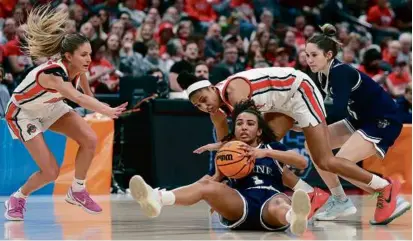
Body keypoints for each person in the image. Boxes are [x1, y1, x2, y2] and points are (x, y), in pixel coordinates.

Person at [177, 59, 406, 224]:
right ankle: (319, 196)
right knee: (264, 151)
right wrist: (220, 172)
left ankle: (383, 187)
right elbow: (229, 143)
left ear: (210, 87)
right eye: (198, 105)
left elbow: (247, 130)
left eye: (204, 99)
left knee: (324, 159)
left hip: (298, 90)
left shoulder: (234, 91)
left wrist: (220, 171)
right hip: (279, 104)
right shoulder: (216, 111)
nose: (204, 106)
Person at [3, 5, 127, 221]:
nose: (89, 59)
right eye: (83, 55)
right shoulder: (52, 73)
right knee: (51, 172)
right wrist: (106, 110)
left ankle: (77, 190)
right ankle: (17, 198)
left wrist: (95, 104)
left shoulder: (78, 68)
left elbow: (86, 94)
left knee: (89, 138)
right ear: (68, 56)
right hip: (23, 113)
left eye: (90, 54)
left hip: (50, 106)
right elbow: (77, 97)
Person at [129, 100, 311, 236]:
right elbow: (205, 185)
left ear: (259, 130)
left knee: (280, 203)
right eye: (239, 123)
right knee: (207, 186)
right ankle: (158, 198)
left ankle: (293, 218)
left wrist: (266, 154)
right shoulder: (227, 152)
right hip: (240, 202)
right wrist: (217, 175)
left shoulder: (272, 148)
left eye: (250, 123)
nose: (244, 127)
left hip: (270, 201)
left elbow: (302, 162)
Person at [304, 23, 411, 223]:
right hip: (359, 118)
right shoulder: (320, 75)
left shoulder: (340, 72)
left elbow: (338, 110)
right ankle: (340, 200)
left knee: (340, 162)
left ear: (328, 55)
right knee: (312, 144)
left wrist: (309, 122)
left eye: (314, 55)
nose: (309, 60)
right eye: (307, 55)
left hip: (383, 119)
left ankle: (386, 190)